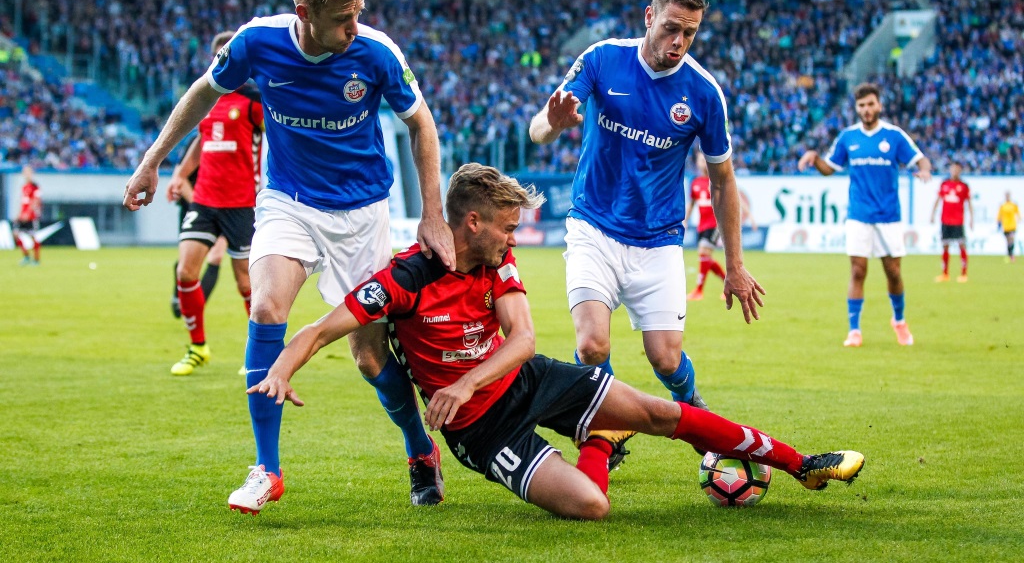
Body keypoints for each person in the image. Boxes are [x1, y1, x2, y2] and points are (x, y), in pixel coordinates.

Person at [247, 163, 864, 520]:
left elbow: (523, 341)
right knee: (592, 506)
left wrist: (463, 381)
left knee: (662, 412)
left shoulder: (498, 264)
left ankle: (800, 464)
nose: (515, 237)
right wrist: (282, 369)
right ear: (472, 222)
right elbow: (322, 329)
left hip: (526, 379)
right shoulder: (407, 277)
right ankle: (600, 436)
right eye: (508, 226)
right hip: (481, 432)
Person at [123, 0, 456, 510]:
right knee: (266, 309)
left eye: (358, 14)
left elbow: (420, 122)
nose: (354, 29)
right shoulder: (257, 42)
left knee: (369, 357)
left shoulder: (376, 53)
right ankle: (267, 469)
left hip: (362, 213)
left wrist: (432, 215)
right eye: (341, 19)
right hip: (288, 201)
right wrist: (153, 159)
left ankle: (419, 447)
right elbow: (203, 92)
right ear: (304, 10)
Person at [527, 0, 765, 455]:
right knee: (592, 345)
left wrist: (735, 265)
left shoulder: (703, 92)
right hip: (593, 225)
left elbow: (722, 180)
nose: (678, 42)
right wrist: (551, 124)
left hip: (657, 239)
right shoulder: (601, 58)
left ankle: (689, 401)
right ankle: (609, 431)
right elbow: (538, 129)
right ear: (649, 17)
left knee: (665, 358)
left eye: (690, 33)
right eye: (672, 28)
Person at [161, 30, 265, 376]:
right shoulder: (206, 100)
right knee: (185, 271)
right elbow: (200, 142)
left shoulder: (254, 101)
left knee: (246, 285)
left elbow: (282, 137)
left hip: (241, 203)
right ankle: (197, 348)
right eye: (221, 55)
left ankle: (257, 354)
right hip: (204, 199)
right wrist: (180, 173)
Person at [798, 82, 932, 348]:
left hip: (888, 215)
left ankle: (899, 320)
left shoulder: (894, 136)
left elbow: (920, 159)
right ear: (857, 108)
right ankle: (855, 330)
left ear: (879, 105)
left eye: (871, 104)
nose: (867, 109)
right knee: (858, 270)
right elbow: (830, 168)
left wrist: (925, 169)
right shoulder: (848, 137)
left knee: (893, 272)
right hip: (858, 214)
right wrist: (814, 157)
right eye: (862, 105)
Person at [167, 133, 226, 320]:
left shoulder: (240, 139)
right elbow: (180, 178)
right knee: (187, 263)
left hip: (225, 209)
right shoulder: (199, 140)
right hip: (192, 208)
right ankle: (181, 298)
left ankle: (193, 312)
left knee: (216, 257)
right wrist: (201, 208)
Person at [684, 152, 757, 301]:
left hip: (716, 224)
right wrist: (685, 220)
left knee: (703, 253)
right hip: (702, 225)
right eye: (700, 160)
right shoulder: (696, 182)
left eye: (705, 159)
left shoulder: (716, 180)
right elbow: (691, 204)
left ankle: (698, 291)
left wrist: (749, 215)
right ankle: (729, 283)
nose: (703, 162)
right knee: (706, 257)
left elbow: (735, 198)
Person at [929, 162, 972, 283]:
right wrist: (932, 214)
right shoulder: (945, 184)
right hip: (945, 220)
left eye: (957, 169)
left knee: (961, 245)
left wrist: (972, 219)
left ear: (960, 171)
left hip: (958, 220)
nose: (954, 171)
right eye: (953, 169)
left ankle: (964, 273)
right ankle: (945, 274)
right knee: (945, 246)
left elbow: (969, 203)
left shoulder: (964, 186)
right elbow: (938, 199)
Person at [13, 166, 42, 266]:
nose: (26, 174)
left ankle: (36, 259)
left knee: (33, 237)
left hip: (31, 216)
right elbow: (22, 203)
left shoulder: (35, 186)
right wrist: (19, 214)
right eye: (24, 172)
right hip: (22, 215)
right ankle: (26, 256)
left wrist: (28, 213)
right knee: (16, 234)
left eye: (28, 172)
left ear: (31, 173)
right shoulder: (24, 187)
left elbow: (35, 201)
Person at [997, 192, 1020, 263]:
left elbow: (1018, 214)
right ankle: (1009, 255)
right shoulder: (1002, 205)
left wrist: (1019, 220)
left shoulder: (1013, 205)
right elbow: (999, 215)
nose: (1007, 197)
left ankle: (1011, 255)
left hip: (1012, 225)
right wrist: (998, 223)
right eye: (1006, 196)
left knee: (1011, 239)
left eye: (1008, 195)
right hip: (1006, 226)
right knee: (1008, 241)